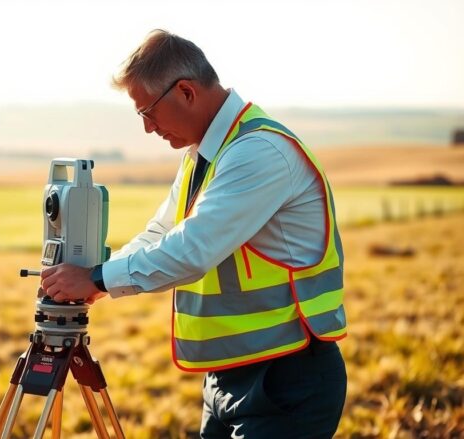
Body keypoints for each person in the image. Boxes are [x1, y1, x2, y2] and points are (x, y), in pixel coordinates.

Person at [40, 29, 348, 438]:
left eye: (148, 111)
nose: (147, 128)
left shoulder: (258, 151)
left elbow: (192, 249)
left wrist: (97, 279)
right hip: (228, 375)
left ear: (186, 91)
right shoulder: (204, 154)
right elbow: (160, 232)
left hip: (287, 376)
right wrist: (95, 278)